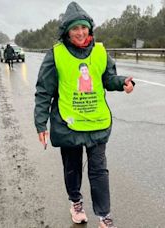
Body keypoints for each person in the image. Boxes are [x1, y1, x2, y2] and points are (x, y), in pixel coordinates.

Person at [34, 2, 134, 228]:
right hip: (68, 123)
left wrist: (123, 82)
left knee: (99, 170)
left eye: (84, 27)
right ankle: (76, 201)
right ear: (67, 31)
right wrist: (41, 124)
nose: (80, 33)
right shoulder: (56, 55)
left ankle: (104, 215)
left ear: (89, 28)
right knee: (73, 167)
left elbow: (108, 79)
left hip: (97, 122)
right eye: (74, 28)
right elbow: (44, 91)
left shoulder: (100, 51)